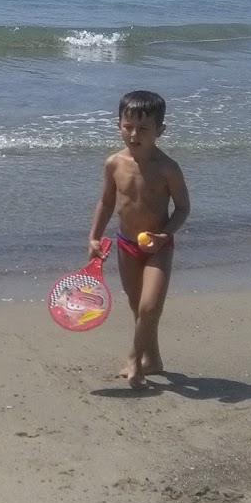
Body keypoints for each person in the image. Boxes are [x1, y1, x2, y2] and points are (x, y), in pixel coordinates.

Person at [86, 90, 191, 388]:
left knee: (149, 308)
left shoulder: (167, 168)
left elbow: (183, 208)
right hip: (126, 245)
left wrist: (164, 235)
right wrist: (94, 237)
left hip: (158, 247)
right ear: (118, 124)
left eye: (144, 129)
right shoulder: (114, 164)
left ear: (160, 131)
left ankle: (134, 357)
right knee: (138, 308)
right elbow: (106, 203)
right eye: (128, 126)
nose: (134, 134)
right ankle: (154, 359)